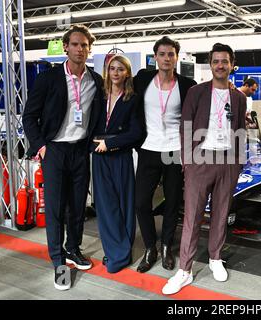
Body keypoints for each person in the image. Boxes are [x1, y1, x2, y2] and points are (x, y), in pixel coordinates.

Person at [22, 25, 103, 290]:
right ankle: (58, 262)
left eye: (85, 45)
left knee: (78, 206)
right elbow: (29, 116)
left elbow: (99, 116)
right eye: (76, 44)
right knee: (56, 209)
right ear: (66, 47)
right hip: (54, 150)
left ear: (89, 49)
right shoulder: (49, 78)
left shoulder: (95, 81)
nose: (80, 49)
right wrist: (40, 146)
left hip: (80, 150)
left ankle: (73, 249)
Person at [162, 43, 246, 295]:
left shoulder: (239, 97)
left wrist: (238, 163)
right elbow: (185, 126)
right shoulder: (197, 92)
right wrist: (188, 162)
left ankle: (215, 258)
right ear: (210, 64)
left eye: (225, 61)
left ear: (232, 64)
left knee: (221, 214)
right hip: (200, 161)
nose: (220, 65)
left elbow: (241, 130)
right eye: (216, 61)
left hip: (228, 163)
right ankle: (185, 270)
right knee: (192, 216)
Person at [133, 36, 196, 274]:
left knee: (172, 202)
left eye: (171, 54)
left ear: (177, 57)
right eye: (162, 54)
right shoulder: (142, 79)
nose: (166, 58)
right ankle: (151, 247)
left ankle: (167, 246)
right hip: (148, 148)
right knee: (141, 202)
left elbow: (200, 108)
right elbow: (119, 90)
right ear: (155, 57)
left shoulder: (188, 85)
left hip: (175, 151)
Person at [91, 55, 140, 273]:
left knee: (124, 205)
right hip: (99, 158)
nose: (116, 73)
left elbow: (137, 132)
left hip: (120, 156)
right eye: (112, 68)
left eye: (121, 69)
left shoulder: (132, 99)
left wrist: (110, 143)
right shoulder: (98, 97)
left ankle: (122, 252)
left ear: (127, 73)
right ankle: (114, 252)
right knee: (105, 206)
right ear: (107, 72)